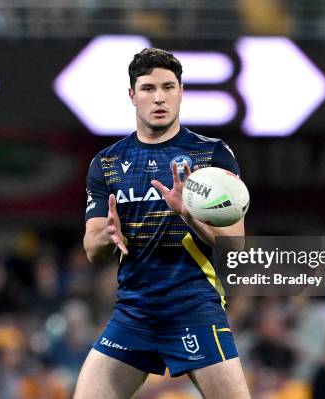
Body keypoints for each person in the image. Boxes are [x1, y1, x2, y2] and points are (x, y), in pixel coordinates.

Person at [75, 48, 250, 399]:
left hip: (193, 308)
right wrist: (109, 234)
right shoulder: (107, 163)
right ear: (132, 95)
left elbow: (235, 243)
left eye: (169, 87)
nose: (159, 97)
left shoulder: (211, 156)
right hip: (133, 313)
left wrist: (188, 214)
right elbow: (93, 249)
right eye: (149, 88)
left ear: (182, 91)